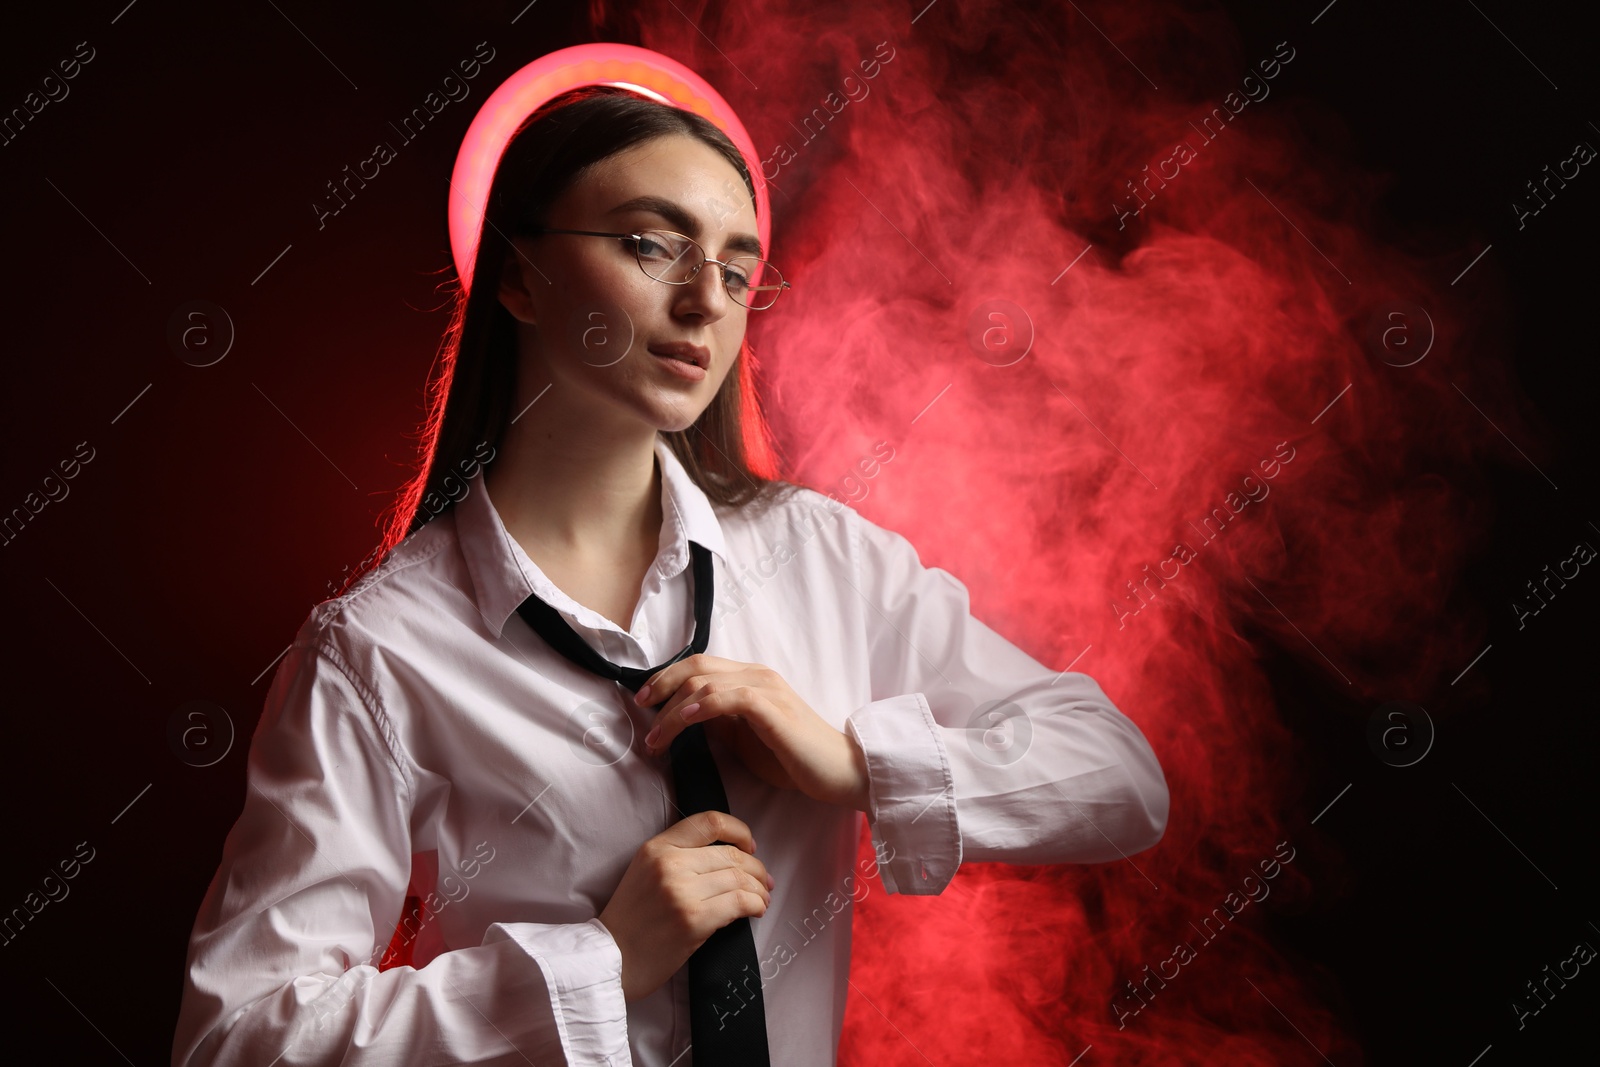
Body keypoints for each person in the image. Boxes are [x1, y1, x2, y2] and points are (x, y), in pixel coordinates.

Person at [171, 84, 1170, 1067]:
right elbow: (239, 1039)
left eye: (738, 271)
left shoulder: (819, 557)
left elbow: (1119, 775)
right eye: (650, 243)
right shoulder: (381, 647)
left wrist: (854, 765)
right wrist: (593, 962)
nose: (704, 301)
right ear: (517, 276)